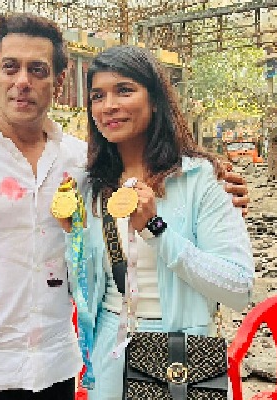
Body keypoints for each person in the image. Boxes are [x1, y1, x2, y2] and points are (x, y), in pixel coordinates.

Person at [0, 13, 250, 400]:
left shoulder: (82, 164)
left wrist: (210, 194)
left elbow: (233, 279)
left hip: (64, 368)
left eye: (37, 70)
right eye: (10, 67)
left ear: (58, 83)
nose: (23, 81)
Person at [57, 45, 255, 400]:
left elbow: (238, 288)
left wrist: (156, 230)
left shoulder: (200, 179)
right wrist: (73, 240)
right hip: (110, 350)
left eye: (124, 90)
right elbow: (84, 290)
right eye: (98, 96)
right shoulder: (91, 186)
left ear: (155, 100)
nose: (109, 105)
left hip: (182, 354)